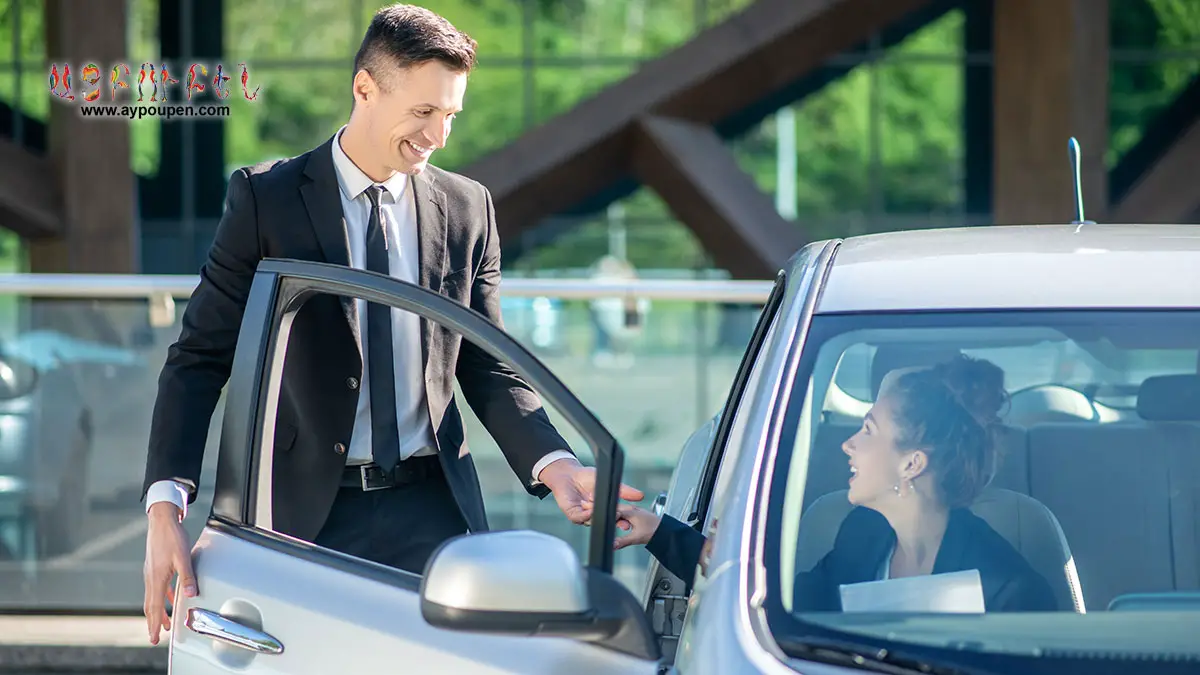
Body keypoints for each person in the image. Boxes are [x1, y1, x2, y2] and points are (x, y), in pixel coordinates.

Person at [141, 4, 641, 646]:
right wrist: (164, 508)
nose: (438, 136)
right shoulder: (267, 201)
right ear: (365, 89)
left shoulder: (467, 208)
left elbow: (485, 362)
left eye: (451, 115)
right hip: (300, 515)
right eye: (424, 112)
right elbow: (200, 358)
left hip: (430, 508)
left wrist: (553, 462)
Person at [615, 354, 1058, 612]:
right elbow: (774, 601)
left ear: (912, 464)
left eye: (867, 431)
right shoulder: (862, 536)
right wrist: (656, 530)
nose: (847, 445)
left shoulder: (1010, 590)